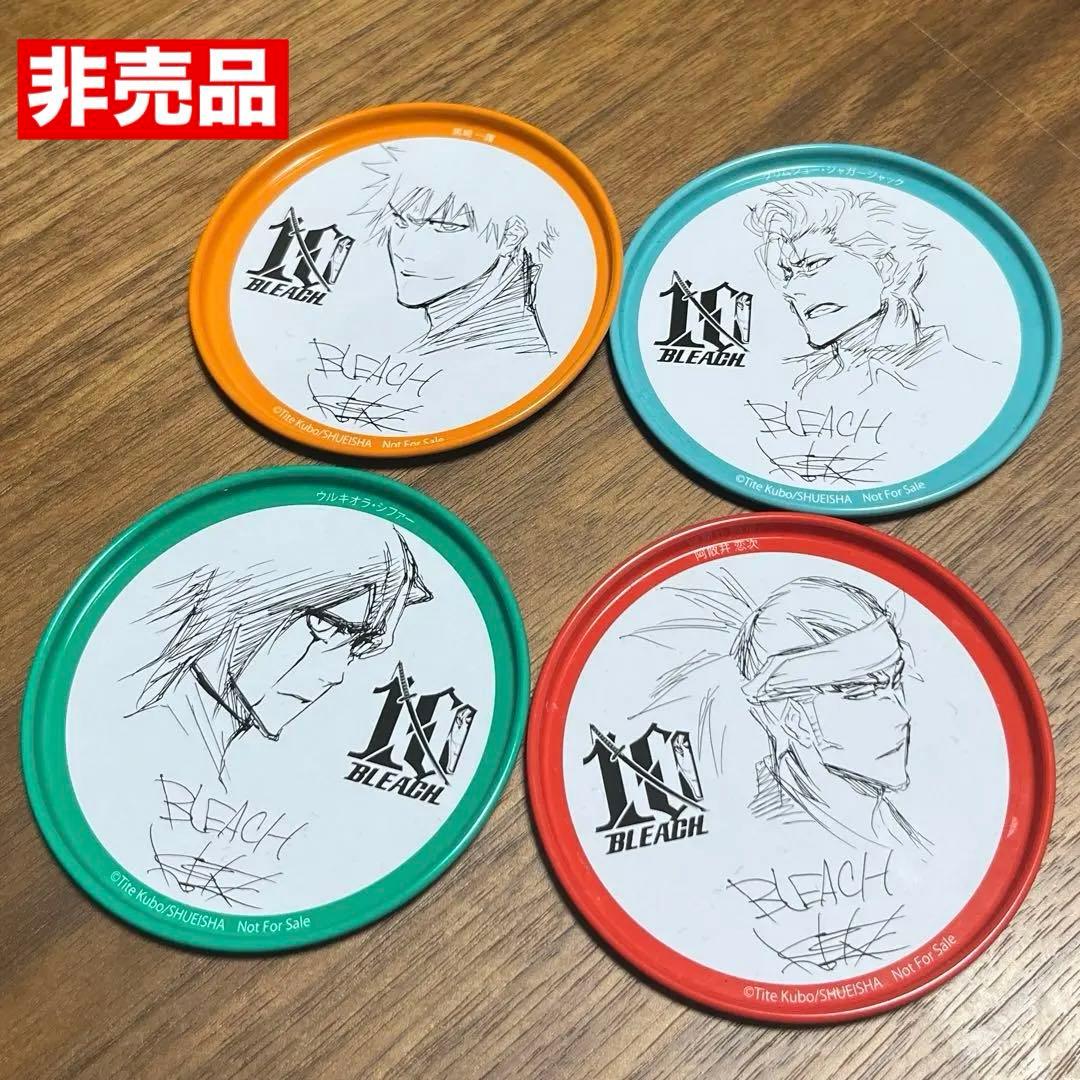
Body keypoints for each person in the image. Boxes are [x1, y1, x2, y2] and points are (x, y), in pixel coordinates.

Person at [632, 569, 930, 854]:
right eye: (862, 691)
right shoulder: (771, 840)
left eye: (895, 681)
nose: (902, 716)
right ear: (794, 720)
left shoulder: (886, 828)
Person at [130, 531, 432, 789]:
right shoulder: (151, 745)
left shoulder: (207, 763)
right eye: (329, 626)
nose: (337, 675)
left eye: (356, 644)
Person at [744, 181, 990, 404]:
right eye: (788, 274)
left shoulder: (965, 377)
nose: (791, 290)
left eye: (813, 264)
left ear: (888, 267)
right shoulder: (796, 383)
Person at [354, 142, 555, 356]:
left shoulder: (506, 349)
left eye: (444, 227)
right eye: (399, 219)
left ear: (510, 236)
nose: (404, 250)